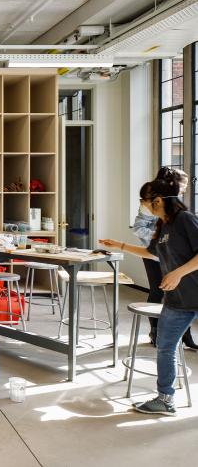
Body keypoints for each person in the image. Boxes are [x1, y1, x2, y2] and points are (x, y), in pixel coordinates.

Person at [100, 174, 198, 416]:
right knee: (165, 347)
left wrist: (178, 273)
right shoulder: (163, 225)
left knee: (166, 346)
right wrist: (118, 245)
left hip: (193, 291)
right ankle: (165, 399)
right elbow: (151, 252)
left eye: (144, 200)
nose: (142, 205)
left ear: (157, 200)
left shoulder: (185, 219)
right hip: (178, 300)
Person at [131, 167, 197, 348]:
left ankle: (183, 335)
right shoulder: (153, 201)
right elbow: (138, 228)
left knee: (182, 293)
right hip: (154, 253)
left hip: (169, 252)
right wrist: (160, 236)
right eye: (183, 185)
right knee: (158, 291)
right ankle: (156, 332)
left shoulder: (179, 212)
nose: (184, 189)